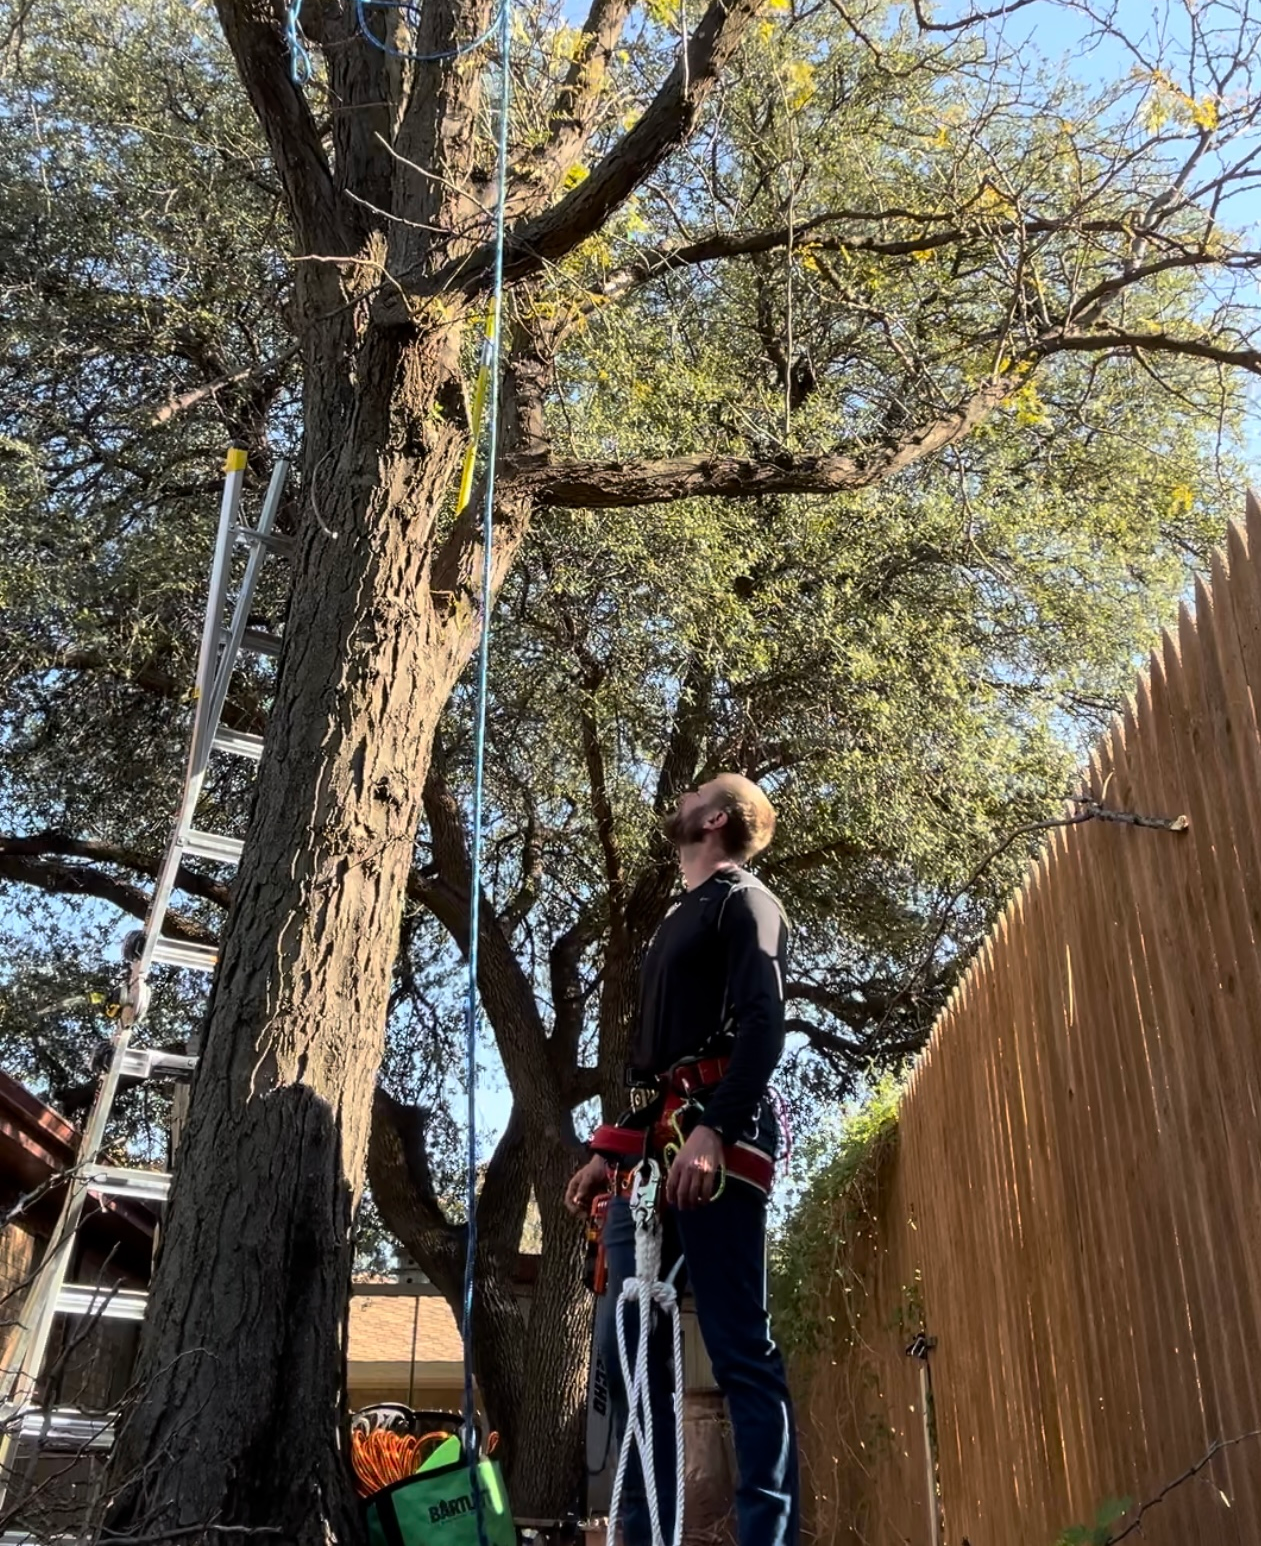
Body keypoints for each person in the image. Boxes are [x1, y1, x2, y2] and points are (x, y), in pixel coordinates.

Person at [565, 774, 799, 1546]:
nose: (678, 804)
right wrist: (612, 1150)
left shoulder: (743, 901)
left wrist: (714, 1132)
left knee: (738, 1346)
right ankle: (644, 1533)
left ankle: (768, 1536)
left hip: (714, 1145)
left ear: (716, 819)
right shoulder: (680, 917)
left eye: (691, 797)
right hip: (660, 1143)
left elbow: (763, 1024)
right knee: (633, 1355)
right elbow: (665, 1069)